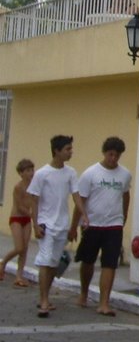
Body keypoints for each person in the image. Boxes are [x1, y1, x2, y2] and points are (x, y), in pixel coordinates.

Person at [26, 135, 87, 318]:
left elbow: (76, 196)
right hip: (46, 224)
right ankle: (44, 300)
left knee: (53, 262)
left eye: (71, 149)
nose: (71, 152)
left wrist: (83, 215)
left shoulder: (70, 173)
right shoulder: (42, 174)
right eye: (67, 149)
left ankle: (45, 296)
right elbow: (34, 201)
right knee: (45, 260)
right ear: (57, 151)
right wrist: (35, 225)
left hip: (62, 224)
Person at [70, 136, 131, 317]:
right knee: (88, 261)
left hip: (113, 225)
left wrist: (124, 216)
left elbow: (126, 195)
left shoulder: (125, 174)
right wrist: (74, 226)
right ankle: (84, 293)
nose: (113, 158)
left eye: (117, 155)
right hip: (92, 224)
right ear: (105, 153)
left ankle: (104, 302)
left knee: (109, 263)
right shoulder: (90, 173)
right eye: (111, 154)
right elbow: (80, 201)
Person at [1, 159, 35, 287]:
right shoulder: (18, 187)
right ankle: (3, 262)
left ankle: (19, 276)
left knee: (24, 249)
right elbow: (20, 206)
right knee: (19, 247)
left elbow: (36, 201)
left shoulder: (34, 186)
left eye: (32, 170)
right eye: (27, 170)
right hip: (16, 218)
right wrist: (33, 216)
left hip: (27, 219)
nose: (31, 173)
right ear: (21, 173)